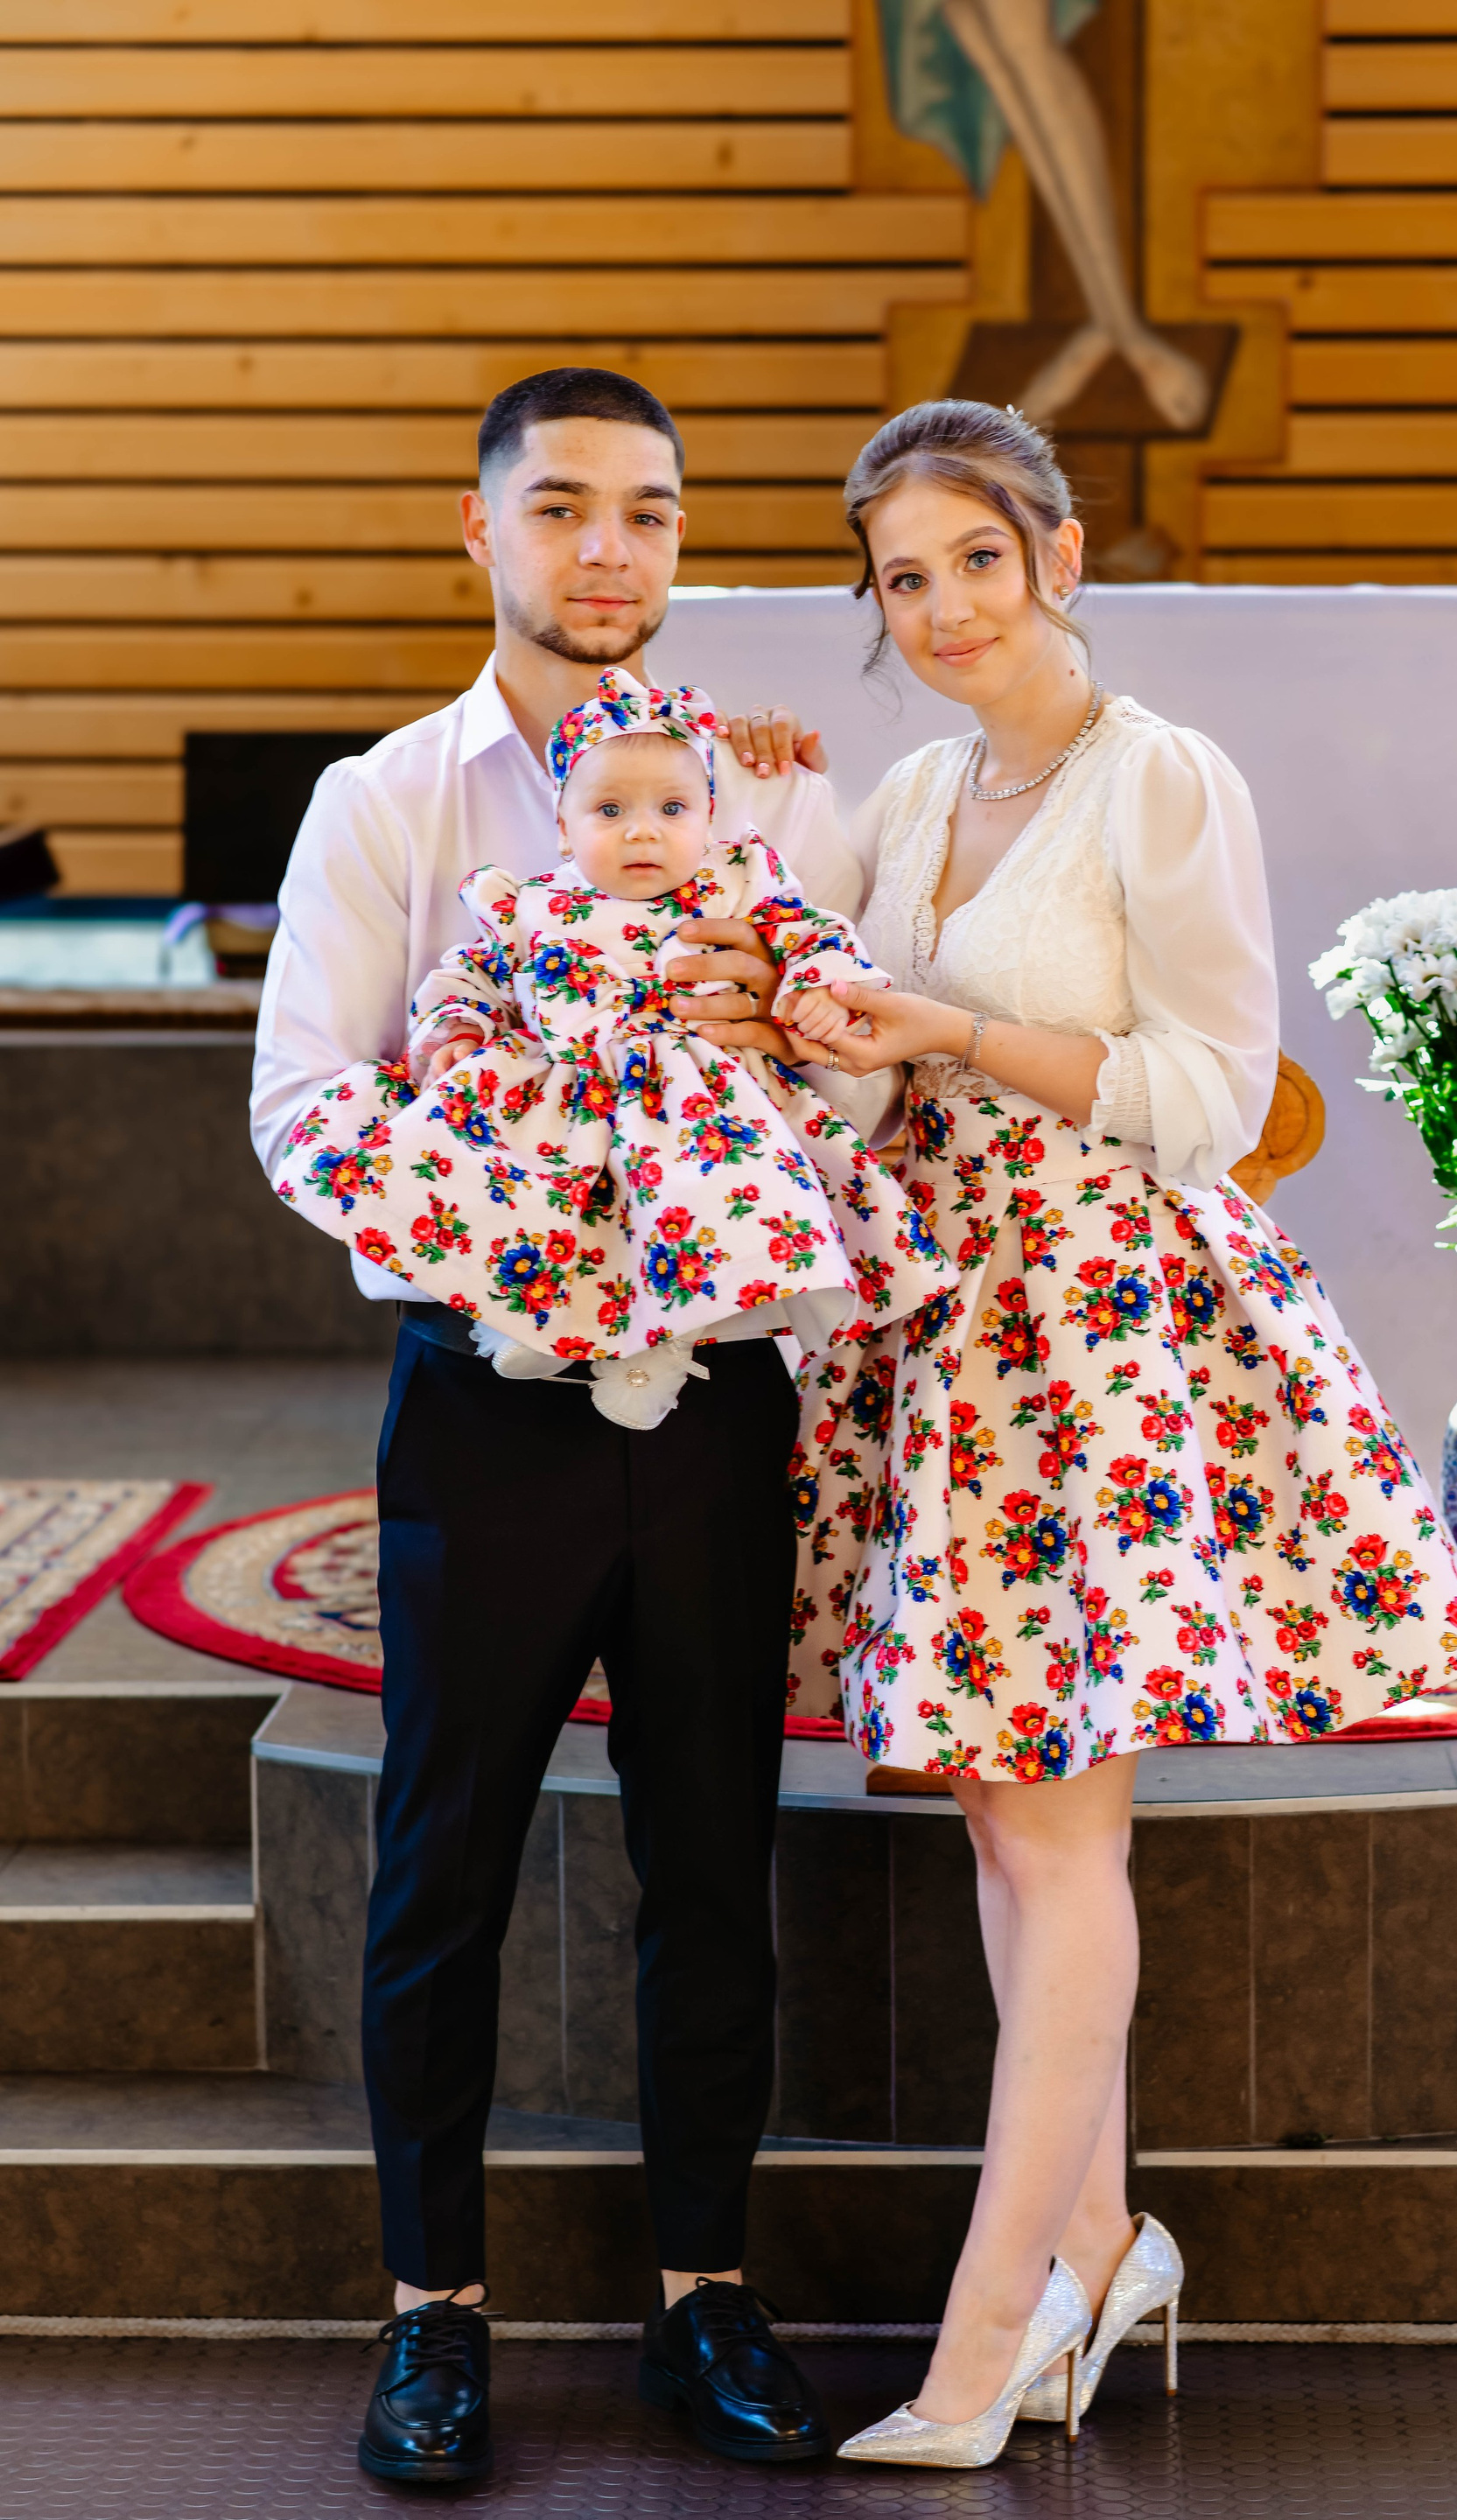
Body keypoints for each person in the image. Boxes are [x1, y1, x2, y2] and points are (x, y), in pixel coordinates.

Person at [776, 398, 1457, 2468]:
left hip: (1101, 1320)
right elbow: (874, 1084)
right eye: (902, 579)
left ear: (1059, 555)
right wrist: (814, 1014)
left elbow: (1213, 1088)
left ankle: (983, 2338)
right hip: (948, 1321)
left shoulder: (1157, 773)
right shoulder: (915, 792)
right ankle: (1100, 2245)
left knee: (1063, 1826)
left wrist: (950, 1029)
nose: (942, 609)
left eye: (975, 562)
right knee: (1002, 1811)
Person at [251, 368, 851, 2486]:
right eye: (566, 505)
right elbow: (306, 1098)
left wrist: (787, 1041)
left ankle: (706, 2294)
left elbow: (861, 1076)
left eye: (653, 513)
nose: (611, 548)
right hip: (490, 1392)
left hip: (715, 1399)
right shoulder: (389, 801)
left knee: (714, 1856)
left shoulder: (763, 798)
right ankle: (433, 2311)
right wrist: (523, 1223)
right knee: (443, 1859)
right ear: (481, 528)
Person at [275, 668, 947, 1396]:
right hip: (564, 1090)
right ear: (564, 828)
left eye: (672, 808)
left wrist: (815, 985)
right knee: (525, 1186)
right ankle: (521, 1316)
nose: (642, 829)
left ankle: (661, 1352)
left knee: (711, 1195)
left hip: (701, 1100)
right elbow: (467, 974)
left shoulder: (736, 884)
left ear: (709, 817)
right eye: (609, 810)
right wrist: (456, 1028)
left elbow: (816, 934)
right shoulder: (532, 905)